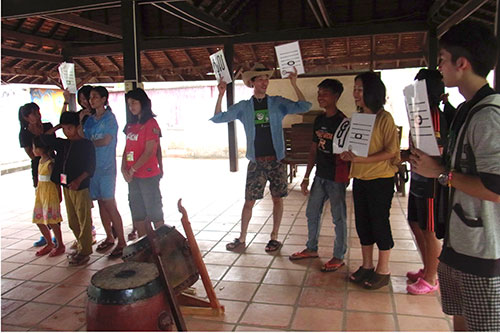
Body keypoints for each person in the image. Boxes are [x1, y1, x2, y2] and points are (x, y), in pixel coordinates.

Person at [410, 21, 500, 331]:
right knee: (459, 320)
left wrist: (441, 173)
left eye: (443, 60)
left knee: (481, 326)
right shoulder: (465, 110)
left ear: (461, 64)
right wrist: (432, 162)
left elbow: (495, 188)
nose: (440, 67)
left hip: (482, 249)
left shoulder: (489, 115)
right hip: (459, 242)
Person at [211, 63, 312, 252]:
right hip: (256, 162)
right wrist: (221, 94)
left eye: (267, 78)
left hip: (276, 161)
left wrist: (294, 84)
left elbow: (304, 107)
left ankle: (274, 237)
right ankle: (241, 238)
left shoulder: (277, 103)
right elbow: (218, 118)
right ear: (252, 83)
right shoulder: (244, 107)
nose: (265, 82)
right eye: (260, 79)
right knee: (249, 201)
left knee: (277, 199)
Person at [340, 72, 400, 290]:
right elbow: (355, 149)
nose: (355, 93)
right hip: (361, 178)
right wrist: (349, 156)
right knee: (363, 223)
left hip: (381, 179)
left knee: (379, 223)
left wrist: (363, 159)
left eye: (360, 89)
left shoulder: (385, 118)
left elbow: (391, 151)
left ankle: (383, 270)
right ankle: (367, 265)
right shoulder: (358, 118)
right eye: (355, 88)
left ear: (372, 92)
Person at [289, 79, 350, 272]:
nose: (320, 97)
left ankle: (338, 256)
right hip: (320, 176)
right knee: (311, 212)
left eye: (325, 93)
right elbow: (314, 149)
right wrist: (306, 176)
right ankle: (311, 248)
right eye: (319, 93)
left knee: (338, 217)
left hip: (337, 177)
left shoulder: (343, 122)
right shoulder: (319, 120)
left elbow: (349, 153)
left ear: (336, 96)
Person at [403, 69, 448, 295]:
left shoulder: (435, 115)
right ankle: (428, 267)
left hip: (431, 182)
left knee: (429, 229)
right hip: (417, 177)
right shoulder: (418, 114)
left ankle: (431, 278)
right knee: (415, 222)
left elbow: (438, 152)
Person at [41, 112, 96, 266]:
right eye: (64, 129)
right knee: (73, 220)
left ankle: (85, 251)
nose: (67, 132)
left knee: (84, 219)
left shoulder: (86, 144)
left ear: (78, 127)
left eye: (70, 128)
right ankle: (80, 246)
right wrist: (59, 125)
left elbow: (90, 168)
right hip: (67, 186)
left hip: (81, 187)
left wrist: (78, 181)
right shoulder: (64, 144)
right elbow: (44, 138)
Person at [84, 86, 126, 257]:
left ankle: (121, 241)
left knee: (110, 203)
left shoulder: (110, 119)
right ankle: (109, 237)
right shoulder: (90, 120)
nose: (91, 100)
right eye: (90, 97)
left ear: (103, 99)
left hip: (106, 168)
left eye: (95, 97)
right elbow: (82, 135)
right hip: (93, 168)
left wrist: (88, 145)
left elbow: (106, 140)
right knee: (101, 202)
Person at [122, 88, 165, 237]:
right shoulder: (130, 125)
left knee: (154, 212)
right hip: (132, 177)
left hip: (147, 175)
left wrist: (132, 169)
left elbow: (149, 152)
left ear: (143, 103)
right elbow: (126, 149)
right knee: (138, 213)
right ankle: (145, 246)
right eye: (129, 104)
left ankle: (163, 246)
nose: (131, 106)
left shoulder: (151, 123)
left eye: (134, 102)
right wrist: (123, 169)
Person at [18, 102, 58, 247]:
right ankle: (47, 234)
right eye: (34, 113)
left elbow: (54, 143)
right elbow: (31, 154)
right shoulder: (24, 133)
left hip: (53, 164)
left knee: (54, 201)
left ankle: (56, 231)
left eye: (38, 112)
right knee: (42, 200)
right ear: (26, 117)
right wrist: (41, 149)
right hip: (39, 168)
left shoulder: (47, 126)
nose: (38, 115)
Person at [31, 136, 65, 257]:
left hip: (50, 194)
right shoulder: (40, 161)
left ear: (41, 149)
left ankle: (60, 244)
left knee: (52, 221)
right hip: (41, 194)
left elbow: (57, 182)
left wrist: (59, 195)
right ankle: (49, 242)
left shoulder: (50, 163)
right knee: (39, 219)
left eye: (34, 147)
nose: (33, 149)